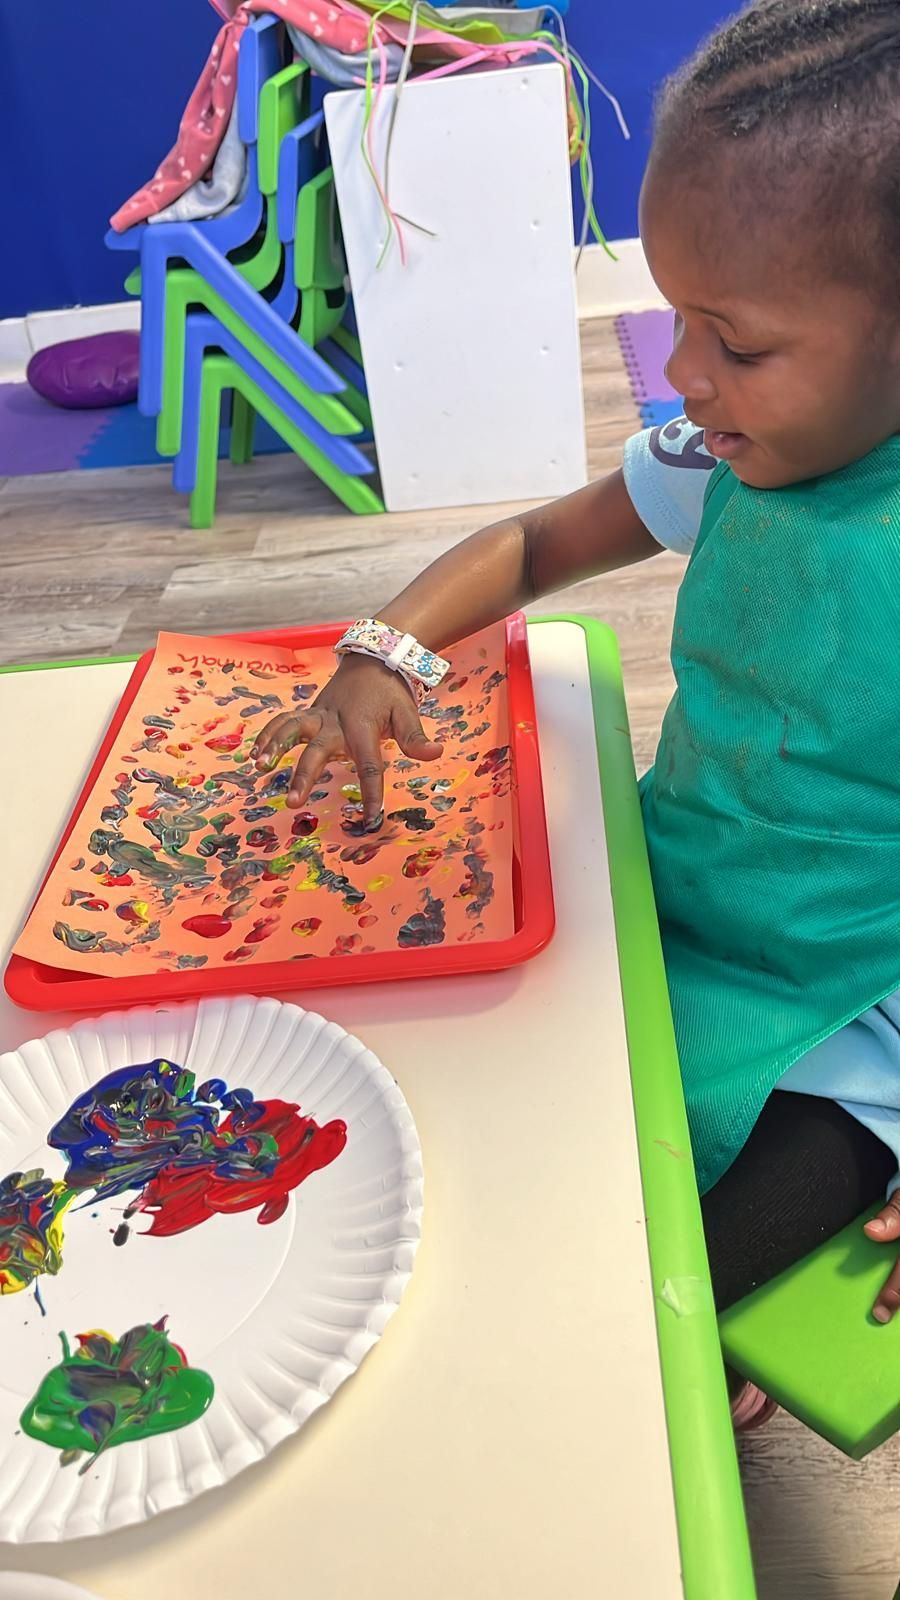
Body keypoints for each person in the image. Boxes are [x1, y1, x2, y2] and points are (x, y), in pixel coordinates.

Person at [253, 0, 900, 1356]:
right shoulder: (726, 449)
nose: (680, 373)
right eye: (676, 317)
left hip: (848, 1028)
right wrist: (384, 648)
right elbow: (537, 542)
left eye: (739, 342)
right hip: (673, 885)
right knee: (453, 1123)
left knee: (631, 1319)